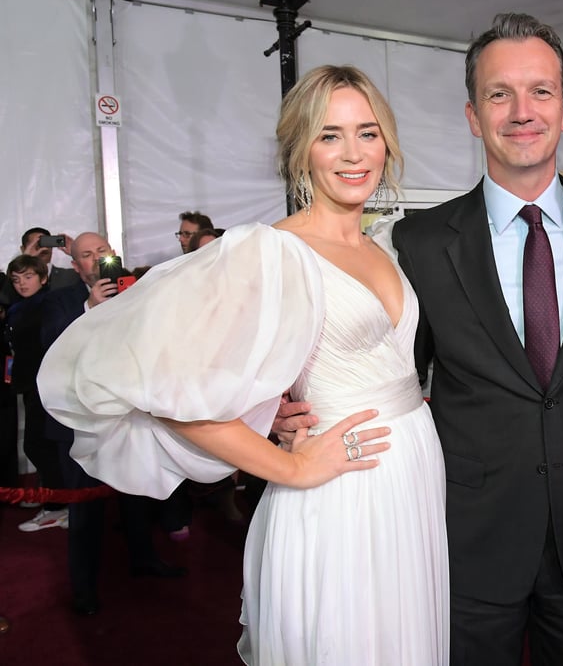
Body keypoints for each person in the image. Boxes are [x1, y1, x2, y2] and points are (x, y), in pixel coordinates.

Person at [38, 66, 448, 664]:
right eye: (329, 135)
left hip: (412, 476)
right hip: (335, 492)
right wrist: (291, 468)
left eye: (368, 132)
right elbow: (161, 388)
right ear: (300, 150)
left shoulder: (386, 243)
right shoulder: (270, 250)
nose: (354, 153)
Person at [278, 13, 563, 666]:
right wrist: (284, 403)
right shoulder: (420, 242)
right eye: (500, 93)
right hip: (465, 540)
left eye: (540, 92)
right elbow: (392, 371)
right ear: (474, 115)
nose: (521, 110)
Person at [38, 232, 187, 616]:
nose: (95, 259)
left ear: (112, 254)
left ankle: (144, 558)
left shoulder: (135, 291)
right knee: (84, 511)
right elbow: (52, 347)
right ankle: (84, 590)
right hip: (79, 422)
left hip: (128, 415)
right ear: (75, 266)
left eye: (101, 252)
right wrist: (91, 307)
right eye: (85, 255)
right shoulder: (61, 301)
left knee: (136, 497)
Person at [5, 255, 68, 532]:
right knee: (39, 444)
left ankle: (59, 506)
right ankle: (58, 503)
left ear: (43, 278)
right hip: (29, 383)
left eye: (28, 277)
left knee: (39, 444)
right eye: (16, 279)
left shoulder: (49, 303)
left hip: (47, 382)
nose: (22, 283)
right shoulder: (18, 307)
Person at [0, 227, 78, 305]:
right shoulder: (14, 280)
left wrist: (77, 253)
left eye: (45, 242)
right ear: (23, 249)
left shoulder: (70, 276)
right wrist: (26, 259)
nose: (42, 248)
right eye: (35, 245)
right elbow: (4, 299)